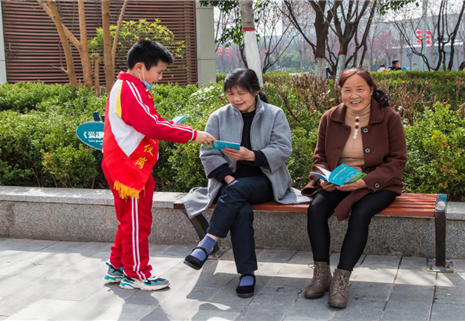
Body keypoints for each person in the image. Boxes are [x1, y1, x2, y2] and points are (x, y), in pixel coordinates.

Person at [181, 68, 307, 298]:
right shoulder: (218, 116)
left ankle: (207, 243)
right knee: (241, 210)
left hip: (265, 180)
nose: (236, 98)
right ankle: (246, 273)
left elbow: (283, 149)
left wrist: (251, 156)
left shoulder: (274, 114)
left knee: (237, 191)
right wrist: (228, 178)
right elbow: (208, 154)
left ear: (256, 91)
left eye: (241, 93)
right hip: (230, 183)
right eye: (230, 93)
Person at [102, 40, 215, 291]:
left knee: (131, 220)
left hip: (130, 164)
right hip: (128, 167)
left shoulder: (132, 87)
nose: (160, 78)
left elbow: (151, 120)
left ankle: (117, 267)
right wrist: (192, 134)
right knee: (135, 221)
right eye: (160, 72)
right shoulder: (129, 89)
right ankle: (136, 274)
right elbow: (151, 126)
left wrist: (177, 127)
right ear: (141, 67)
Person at [301, 67, 407, 309]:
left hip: (378, 184)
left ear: (371, 90)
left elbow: (397, 161)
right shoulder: (329, 117)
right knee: (316, 209)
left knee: (360, 214)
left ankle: (341, 279)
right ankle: (321, 274)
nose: (354, 95)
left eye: (360, 89)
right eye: (347, 90)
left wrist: (365, 182)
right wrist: (324, 177)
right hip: (340, 181)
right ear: (340, 92)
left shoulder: (389, 117)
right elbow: (319, 157)